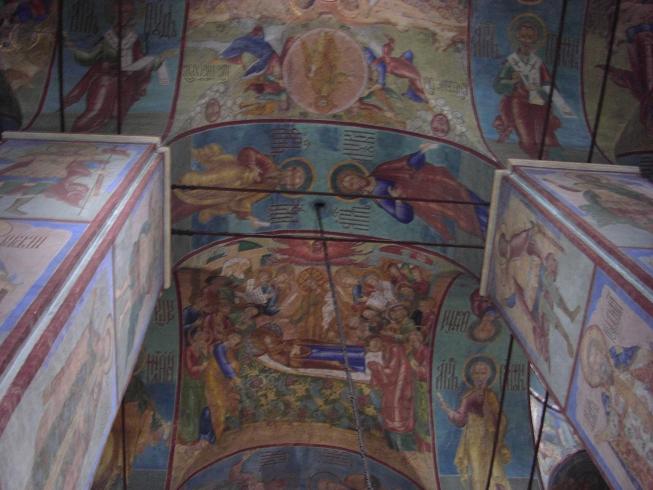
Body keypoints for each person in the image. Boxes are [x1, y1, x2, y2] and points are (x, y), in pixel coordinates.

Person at [331, 145, 487, 240]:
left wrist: (422, 151)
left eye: (352, 178)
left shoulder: (380, 170)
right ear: (354, 190)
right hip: (426, 200)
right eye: (350, 185)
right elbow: (404, 217)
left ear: (357, 173)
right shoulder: (379, 198)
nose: (355, 182)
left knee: (462, 193)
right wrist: (398, 199)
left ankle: (488, 211)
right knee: (458, 212)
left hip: (431, 181)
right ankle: (485, 226)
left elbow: (404, 164)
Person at [62, 0, 169, 132]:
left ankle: (106, 139)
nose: (122, 16)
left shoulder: (134, 38)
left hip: (127, 84)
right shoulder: (108, 38)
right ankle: (77, 136)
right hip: (105, 81)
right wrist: (74, 49)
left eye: (126, 13)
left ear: (132, 15)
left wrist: (158, 60)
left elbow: (142, 59)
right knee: (94, 114)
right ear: (112, 15)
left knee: (116, 118)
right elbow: (90, 58)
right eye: (119, 13)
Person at [173, 144, 311, 227]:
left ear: (289, 187)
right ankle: (173, 192)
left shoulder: (269, 188)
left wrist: (250, 218)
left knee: (197, 203)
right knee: (198, 183)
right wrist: (252, 167)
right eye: (292, 175)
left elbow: (247, 201)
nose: (288, 179)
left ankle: (173, 212)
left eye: (292, 182)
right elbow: (248, 152)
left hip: (228, 193)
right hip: (230, 174)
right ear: (289, 169)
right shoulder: (269, 164)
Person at [493, 15, 572, 159]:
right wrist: (512, 81)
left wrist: (541, 91)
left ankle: (551, 162)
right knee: (527, 138)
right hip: (519, 104)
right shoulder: (511, 62)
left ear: (535, 39)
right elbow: (498, 85)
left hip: (538, 104)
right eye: (523, 37)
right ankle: (534, 160)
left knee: (546, 137)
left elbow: (550, 85)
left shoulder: (538, 63)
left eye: (530, 37)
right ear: (518, 38)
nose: (526, 41)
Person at [437, 356, 511, 490]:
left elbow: (501, 419)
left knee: (496, 469)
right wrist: (447, 409)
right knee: (478, 471)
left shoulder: (491, 396)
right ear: (472, 376)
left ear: (488, 376)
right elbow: (461, 420)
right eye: (477, 373)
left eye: (483, 373)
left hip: (489, 439)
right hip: (474, 439)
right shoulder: (468, 396)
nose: (480, 376)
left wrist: (492, 419)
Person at [367, 336, 416, 451]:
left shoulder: (395, 349)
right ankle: (395, 446)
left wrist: (375, 366)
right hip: (395, 388)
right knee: (388, 413)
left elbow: (391, 372)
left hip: (397, 389)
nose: (377, 346)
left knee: (395, 415)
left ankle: (400, 448)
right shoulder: (392, 349)